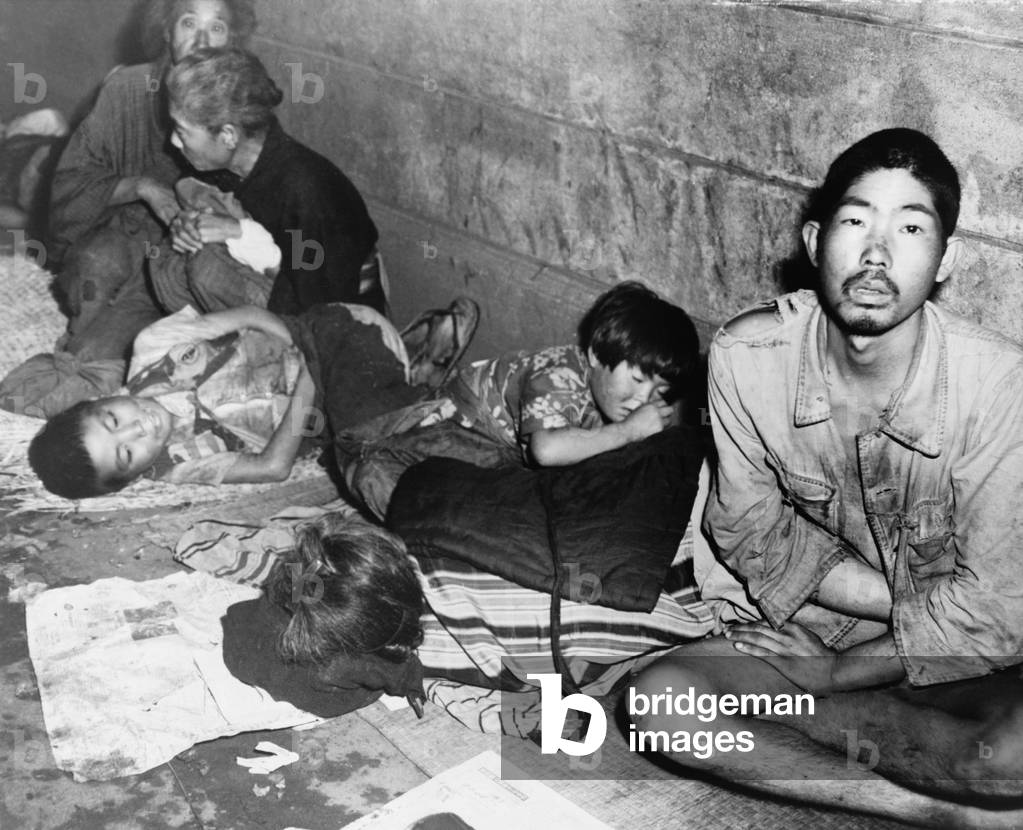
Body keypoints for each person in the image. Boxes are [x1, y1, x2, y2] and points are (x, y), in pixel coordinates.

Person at [631, 129, 1023, 827]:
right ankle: (920, 806)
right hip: (812, 630)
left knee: (1004, 755)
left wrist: (839, 671)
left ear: (944, 260)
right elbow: (745, 526)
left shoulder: (997, 385)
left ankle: (850, 721)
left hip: (965, 653)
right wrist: (835, 647)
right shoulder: (747, 356)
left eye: (909, 227)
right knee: (659, 701)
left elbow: (991, 615)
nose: (876, 252)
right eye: (854, 221)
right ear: (814, 243)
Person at [27, 297, 478, 499]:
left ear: (104, 398)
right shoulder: (176, 467)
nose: (137, 427)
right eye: (127, 452)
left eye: (112, 420)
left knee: (378, 435)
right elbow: (273, 467)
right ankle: (418, 368)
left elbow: (250, 315)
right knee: (367, 458)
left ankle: (435, 387)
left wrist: (309, 354)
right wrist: (310, 383)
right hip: (323, 401)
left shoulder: (152, 347)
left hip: (324, 332)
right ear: (133, 478)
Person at [336, 280, 702, 519]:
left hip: (506, 456)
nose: (644, 399)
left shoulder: (621, 400)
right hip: (467, 428)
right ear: (594, 355)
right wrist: (628, 432)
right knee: (376, 471)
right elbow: (545, 450)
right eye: (637, 379)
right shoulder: (558, 376)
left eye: (660, 391)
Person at [49, 0, 257, 362]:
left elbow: (264, 196)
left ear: (233, 39)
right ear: (166, 31)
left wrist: (213, 220)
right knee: (90, 333)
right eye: (189, 23)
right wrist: (142, 187)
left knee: (124, 359)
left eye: (217, 27)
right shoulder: (126, 89)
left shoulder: (246, 98)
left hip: (195, 250)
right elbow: (69, 184)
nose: (202, 40)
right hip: (121, 232)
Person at [153, 47, 383, 318]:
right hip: (286, 291)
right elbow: (196, 194)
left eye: (182, 131)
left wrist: (239, 233)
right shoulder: (229, 163)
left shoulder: (306, 192)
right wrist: (186, 225)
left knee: (208, 269)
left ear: (228, 135)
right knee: (167, 260)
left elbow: (320, 307)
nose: (173, 141)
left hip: (330, 318)